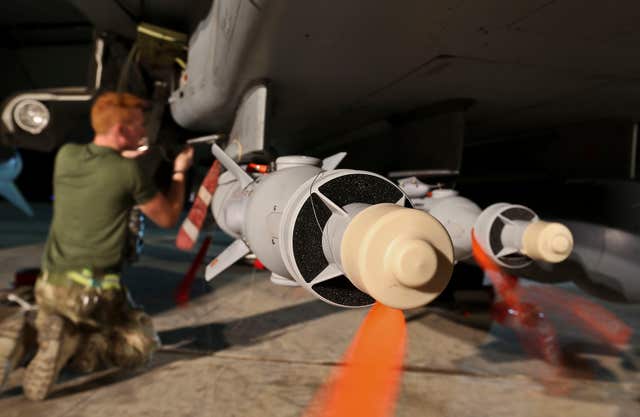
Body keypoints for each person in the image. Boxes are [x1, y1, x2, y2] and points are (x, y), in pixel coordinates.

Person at [19, 91, 194, 400]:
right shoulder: (129, 173)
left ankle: (51, 331)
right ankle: (76, 345)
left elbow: (108, 170)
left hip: (49, 286)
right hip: (94, 293)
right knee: (138, 349)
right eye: (138, 125)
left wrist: (130, 157)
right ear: (121, 130)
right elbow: (167, 216)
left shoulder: (66, 156)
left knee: (62, 315)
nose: (143, 131)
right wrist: (180, 170)